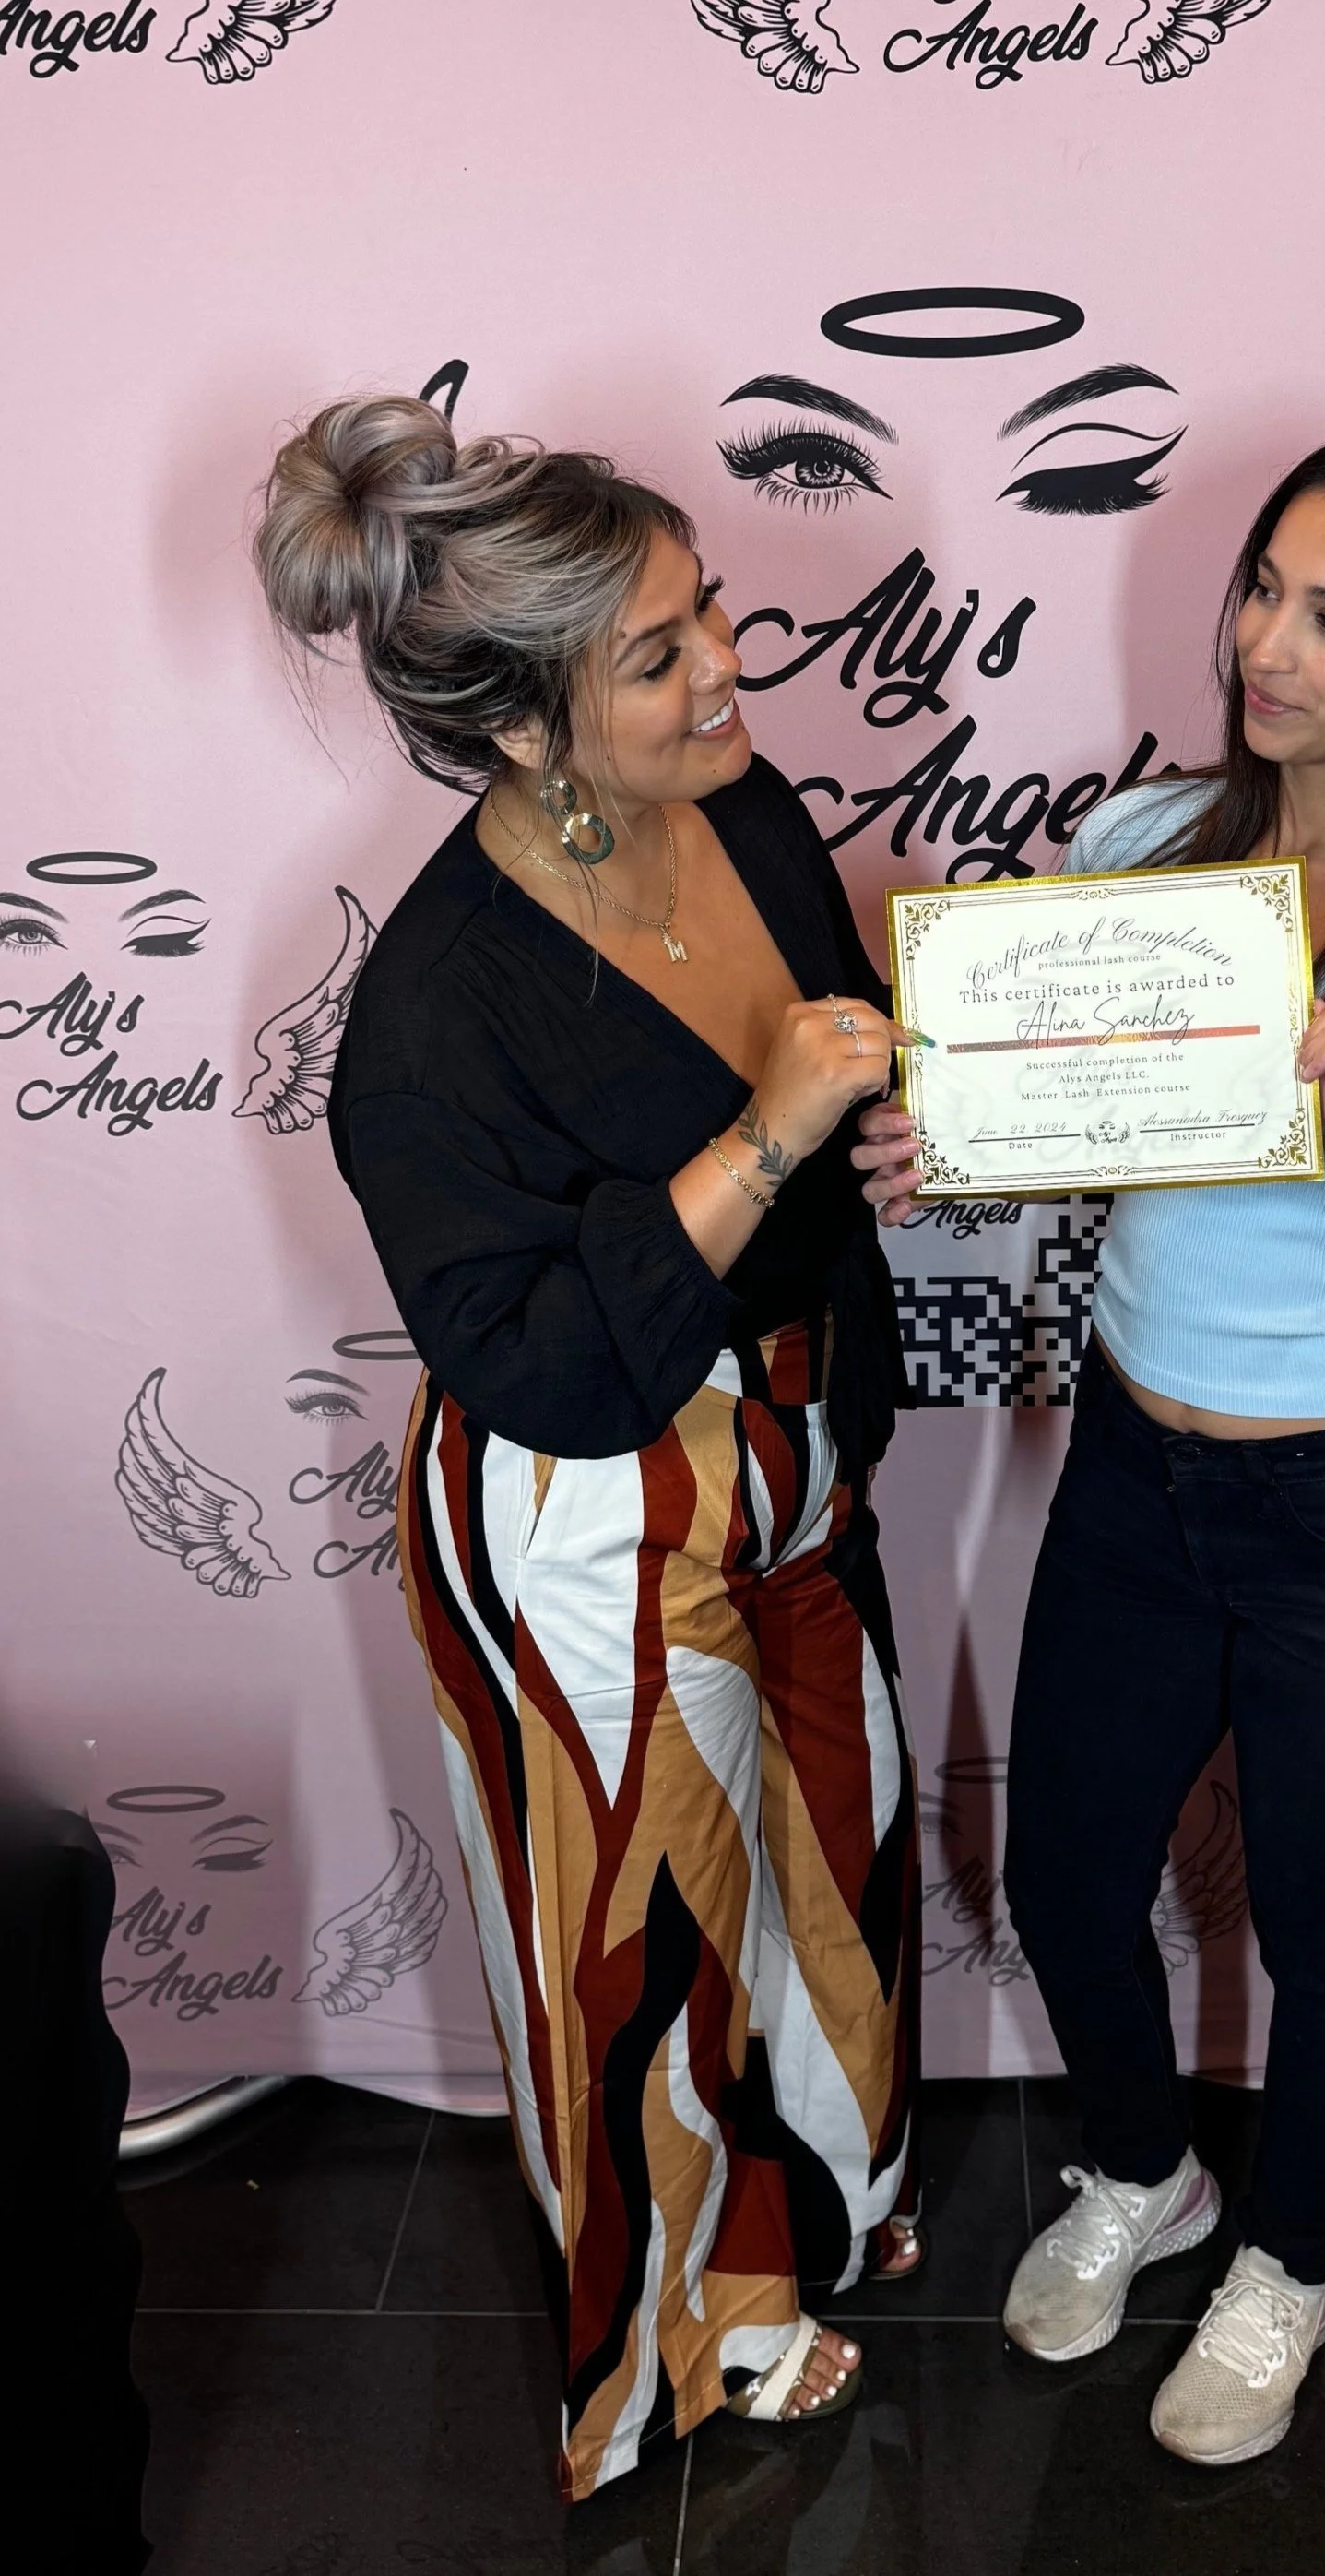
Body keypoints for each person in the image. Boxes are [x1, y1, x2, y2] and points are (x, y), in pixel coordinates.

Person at [856, 421, 1325, 2465]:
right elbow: (1061, 1144)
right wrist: (953, 1150)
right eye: (1266, 588)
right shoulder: (1136, 849)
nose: (1266, 642)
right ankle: (1143, 2172)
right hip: (1131, 1472)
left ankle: (1292, 2257)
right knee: (1064, 1877)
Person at [254, 395, 924, 2502]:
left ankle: (814, 2198)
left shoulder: (751, 805)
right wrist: (771, 1138)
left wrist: (869, 1149)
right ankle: (689, 2337)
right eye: (658, 652)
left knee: (833, 1836)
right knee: (647, 1946)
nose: (727, 661)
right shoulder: (431, 1021)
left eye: (704, 605)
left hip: (792, 1458)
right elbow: (538, 1364)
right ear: (526, 729)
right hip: (586, 1518)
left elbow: (816, 1127)